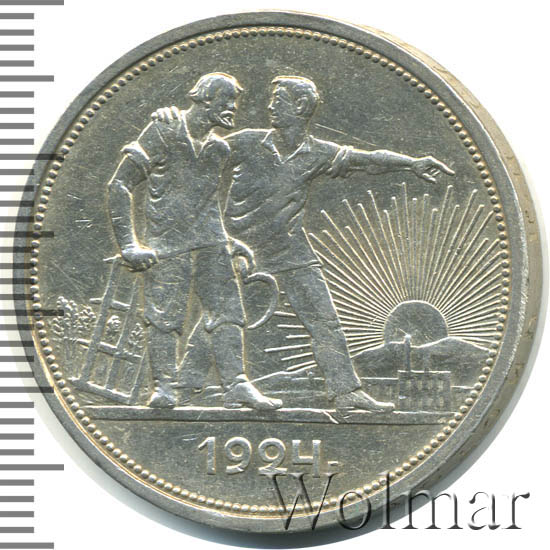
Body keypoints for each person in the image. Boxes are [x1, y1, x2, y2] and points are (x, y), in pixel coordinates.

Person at [154, 75, 454, 412]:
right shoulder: (247, 141)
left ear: (299, 106)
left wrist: (411, 164)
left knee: (325, 321)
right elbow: (198, 147)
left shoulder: (317, 153)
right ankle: (186, 385)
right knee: (220, 317)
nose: (270, 106)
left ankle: (346, 392)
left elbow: (368, 159)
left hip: (291, 250)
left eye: (278, 99)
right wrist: (173, 119)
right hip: (240, 249)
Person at [107, 73, 282, 410]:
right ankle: (164, 388)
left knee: (228, 313)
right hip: (167, 246)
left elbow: (207, 204)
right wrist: (129, 244)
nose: (233, 108)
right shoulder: (164, 130)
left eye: (234, 102)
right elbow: (120, 184)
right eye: (227, 101)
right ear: (205, 99)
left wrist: (228, 241)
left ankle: (237, 385)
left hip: (211, 244)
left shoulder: (219, 148)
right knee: (164, 317)